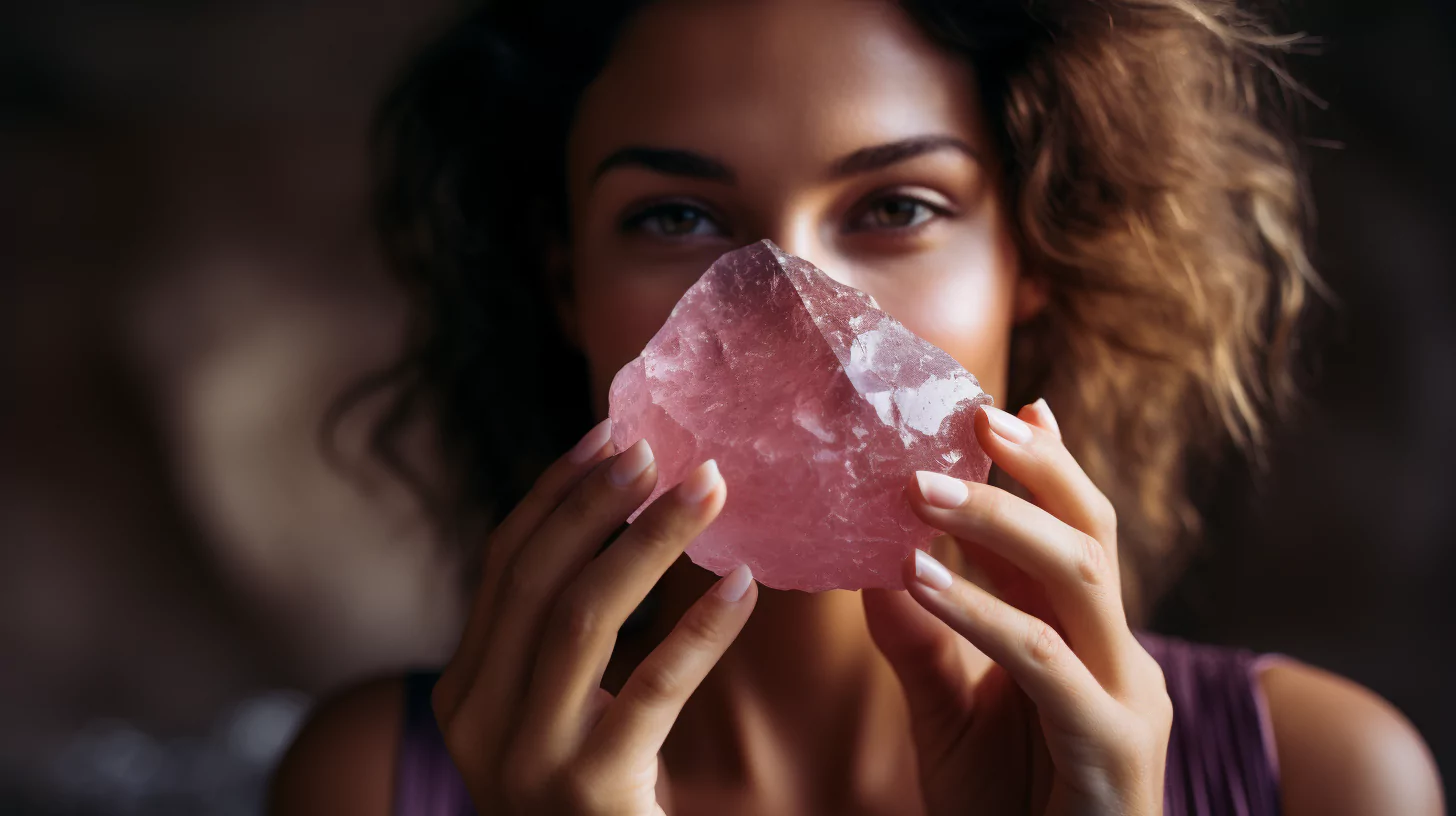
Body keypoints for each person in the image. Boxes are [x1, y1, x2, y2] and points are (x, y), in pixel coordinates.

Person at [270, 0, 1444, 813]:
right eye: (674, 217)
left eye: (897, 205)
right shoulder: (369, 783)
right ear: (564, 283)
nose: (791, 301)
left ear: (1029, 264)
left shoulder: (1330, 777)